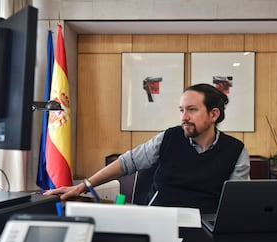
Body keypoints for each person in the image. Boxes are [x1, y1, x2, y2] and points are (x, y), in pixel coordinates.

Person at [44, 83, 250, 213]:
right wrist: (83, 186)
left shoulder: (236, 150)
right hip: (159, 217)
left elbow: (237, 204)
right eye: (181, 110)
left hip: (206, 223)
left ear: (214, 115)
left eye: (192, 110)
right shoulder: (170, 137)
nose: (183, 117)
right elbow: (127, 162)